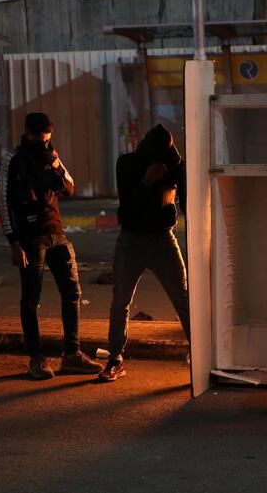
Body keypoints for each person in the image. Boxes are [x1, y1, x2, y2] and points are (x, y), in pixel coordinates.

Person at [0, 112, 103, 379]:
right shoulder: (13, 159)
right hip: (30, 239)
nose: (43, 141)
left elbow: (70, 187)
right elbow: (4, 203)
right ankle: (36, 358)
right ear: (28, 133)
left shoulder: (51, 155)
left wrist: (56, 165)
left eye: (47, 137)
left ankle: (72, 355)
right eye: (39, 137)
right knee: (31, 299)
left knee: (72, 293)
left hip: (56, 233)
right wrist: (14, 243)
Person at [99, 124, 190, 382]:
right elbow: (127, 209)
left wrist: (180, 180)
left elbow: (187, 205)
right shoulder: (127, 164)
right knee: (120, 302)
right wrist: (147, 181)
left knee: (182, 299)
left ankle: (201, 354)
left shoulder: (173, 164)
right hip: (132, 240)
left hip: (163, 238)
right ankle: (115, 358)